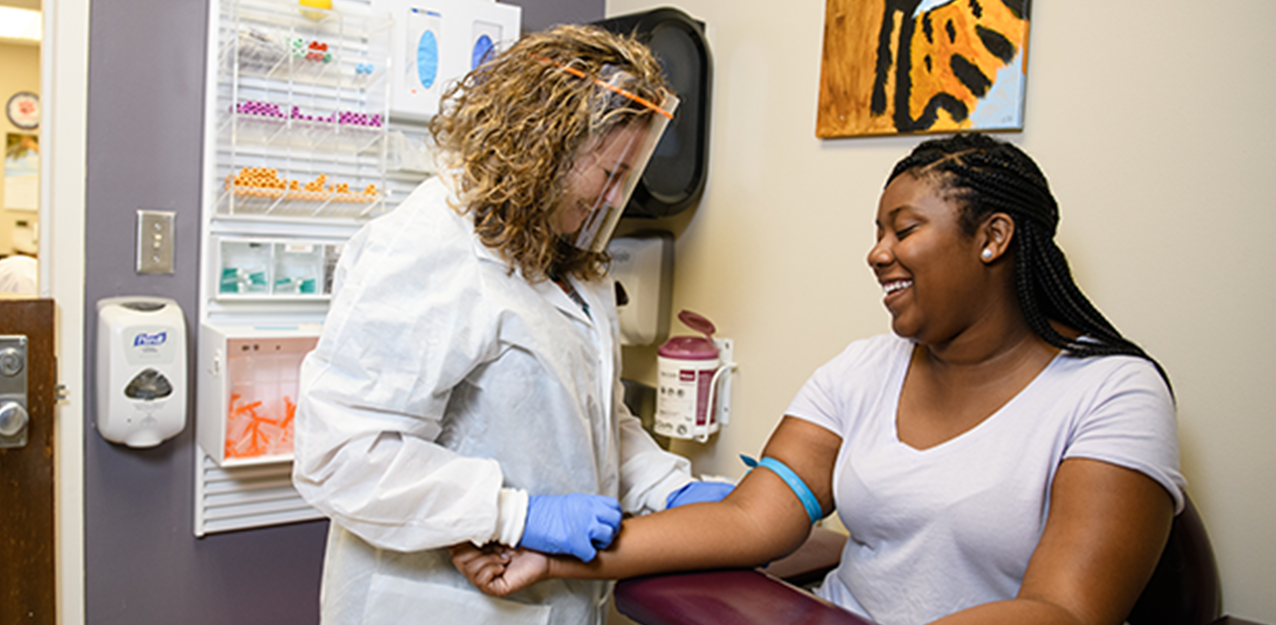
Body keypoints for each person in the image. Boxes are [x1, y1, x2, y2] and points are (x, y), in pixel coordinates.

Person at [452, 133, 1186, 625]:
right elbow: (751, 520)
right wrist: (552, 556)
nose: (876, 253)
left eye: (902, 229)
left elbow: (1062, 609)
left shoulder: (1110, 393)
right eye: (876, 232)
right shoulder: (862, 369)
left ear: (992, 237)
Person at [292, 25, 732, 625]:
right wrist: (514, 514)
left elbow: (594, 417)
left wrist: (666, 487)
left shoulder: (573, 257)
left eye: (626, 177)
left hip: (554, 601)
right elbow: (341, 453)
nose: (614, 198)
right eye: (609, 174)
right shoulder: (428, 244)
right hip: (434, 602)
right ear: (545, 145)